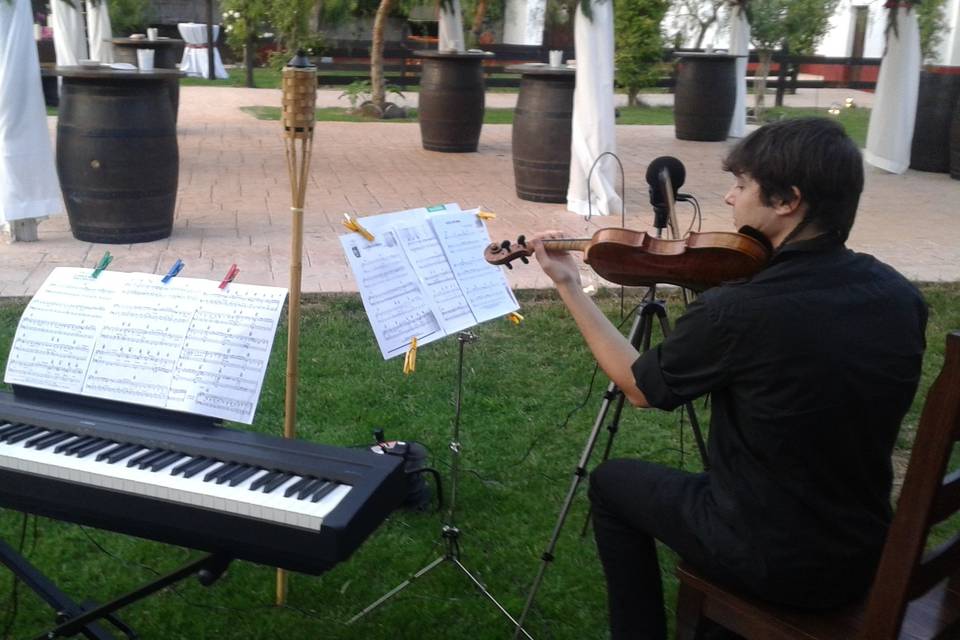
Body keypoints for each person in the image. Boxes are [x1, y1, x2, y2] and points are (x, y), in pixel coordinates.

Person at [530, 118, 928, 640]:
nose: (728, 198)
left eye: (741, 185)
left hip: (774, 559)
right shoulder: (898, 295)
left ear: (788, 201)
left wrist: (569, 287)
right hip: (864, 550)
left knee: (612, 483)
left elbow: (640, 386)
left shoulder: (739, 312)